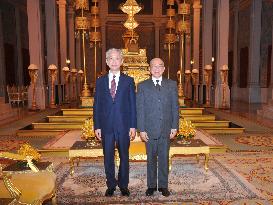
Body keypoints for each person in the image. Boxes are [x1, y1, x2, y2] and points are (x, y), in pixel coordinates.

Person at [93, 48, 137, 197]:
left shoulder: (129, 81)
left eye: (117, 58)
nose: (114, 61)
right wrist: (97, 126)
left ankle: (124, 185)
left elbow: (132, 104)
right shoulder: (100, 82)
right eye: (110, 59)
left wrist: (133, 125)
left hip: (124, 126)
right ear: (106, 62)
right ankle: (111, 184)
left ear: (122, 61)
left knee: (124, 156)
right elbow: (97, 105)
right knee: (108, 157)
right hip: (106, 127)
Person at [137, 58, 179, 197]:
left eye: (159, 66)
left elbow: (175, 107)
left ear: (163, 69)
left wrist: (174, 126)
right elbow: (140, 109)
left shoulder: (172, 84)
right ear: (149, 69)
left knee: (164, 158)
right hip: (149, 129)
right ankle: (151, 186)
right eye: (153, 66)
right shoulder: (142, 86)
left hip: (166, 129)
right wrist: (141, 129)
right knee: (151, 159)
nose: (156, 69)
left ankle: (163, 185)